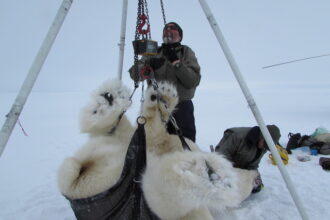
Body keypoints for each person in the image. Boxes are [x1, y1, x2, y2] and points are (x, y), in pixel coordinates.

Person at [129, 22, 201, 142]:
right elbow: (135, 75)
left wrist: (176, 63)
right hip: (156, 107)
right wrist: (144, 68)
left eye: (173, 28)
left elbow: (192, 81)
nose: (168, 30)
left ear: (180, 36)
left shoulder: (186, 52)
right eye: (166, 28)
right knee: (153, 143)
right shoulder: (153, 52)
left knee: (185, 144)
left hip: (180, 107)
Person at [215, 125, 281, 193]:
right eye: (265, 144)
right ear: (261, 137)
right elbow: (220, 157)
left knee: (256, 187)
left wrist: (256, 178)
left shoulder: (263, 146)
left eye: (267, 146)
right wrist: (229, 176)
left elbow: (253, 165)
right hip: (225, 167)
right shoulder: (236, 136)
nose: (264, 147)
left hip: (240, 169)